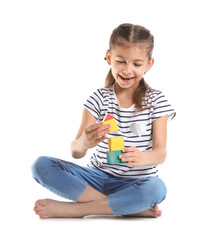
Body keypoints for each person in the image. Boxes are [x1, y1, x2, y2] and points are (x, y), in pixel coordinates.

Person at [31, 23, 176, 219]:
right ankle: (127, 207)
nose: (127, 70)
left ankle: (78, 210)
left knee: (157, 189)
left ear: (148, 65)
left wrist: (143, 157)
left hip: (136, 182)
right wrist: (84, 142)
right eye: (120, 61)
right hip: (97, 179)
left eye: (137, 64)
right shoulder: (99, 98)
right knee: (40, 166)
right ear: (109, 58)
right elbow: (75, 151)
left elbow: (161, 153)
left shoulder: (156, 101)